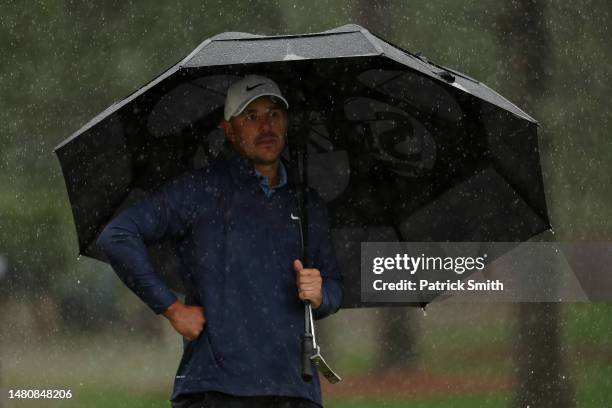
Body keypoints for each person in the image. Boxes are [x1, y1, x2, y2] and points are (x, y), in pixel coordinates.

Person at [97, 75, 344, 408]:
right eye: (251, 117)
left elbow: (334, 286)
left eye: (273, 114)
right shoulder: (199, 191)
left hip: (294, 390)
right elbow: (118, 236)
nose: (265, 126)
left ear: (286, 123)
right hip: (214, 390)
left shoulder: (307, 203)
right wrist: (171, 309)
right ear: (229, 130)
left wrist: (321, 294)